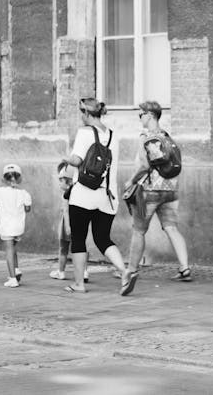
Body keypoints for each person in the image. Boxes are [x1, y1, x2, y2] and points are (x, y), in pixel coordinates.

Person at [120, 101, 192, 297]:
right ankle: (185, 268)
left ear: (150, 115)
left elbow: (144, 166)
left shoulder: (145, 137)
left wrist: (130, 181)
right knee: (171, 227)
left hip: (149, 193)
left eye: (141, 114)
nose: (140, 118)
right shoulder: (167, 136)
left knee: (139, 231)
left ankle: (131, 271)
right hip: (170, 191)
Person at [63, 98, 127, 293]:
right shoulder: (113, 136)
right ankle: (124, 271)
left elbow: (77, 160)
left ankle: (79, 284)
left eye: (81, 113)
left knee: (79, 237)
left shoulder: (84, 132)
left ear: (86, 113)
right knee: (102, 238)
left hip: (83, 194)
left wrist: (65, 157)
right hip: (107, 195)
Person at [0, 164, 32, 287]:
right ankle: (16, 269)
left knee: (9, 251)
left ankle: (12, 278)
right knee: (13, 248)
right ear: (19, 178)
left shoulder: (0, 191)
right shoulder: (25, 193)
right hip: (19, 227)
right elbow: (27, 209)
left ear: (4, 179)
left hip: (6, 227)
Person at [49, 161, 89, 283]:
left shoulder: (66, 195)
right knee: (81, 247)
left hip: (68, 224)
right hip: (80, 224)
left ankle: (61, 272)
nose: (59, 183)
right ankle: (84, 271)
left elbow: (66, 211)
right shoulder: (80, 194)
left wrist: (67, 226)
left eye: (61, 180)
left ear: (68, 181)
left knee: (63, 248)